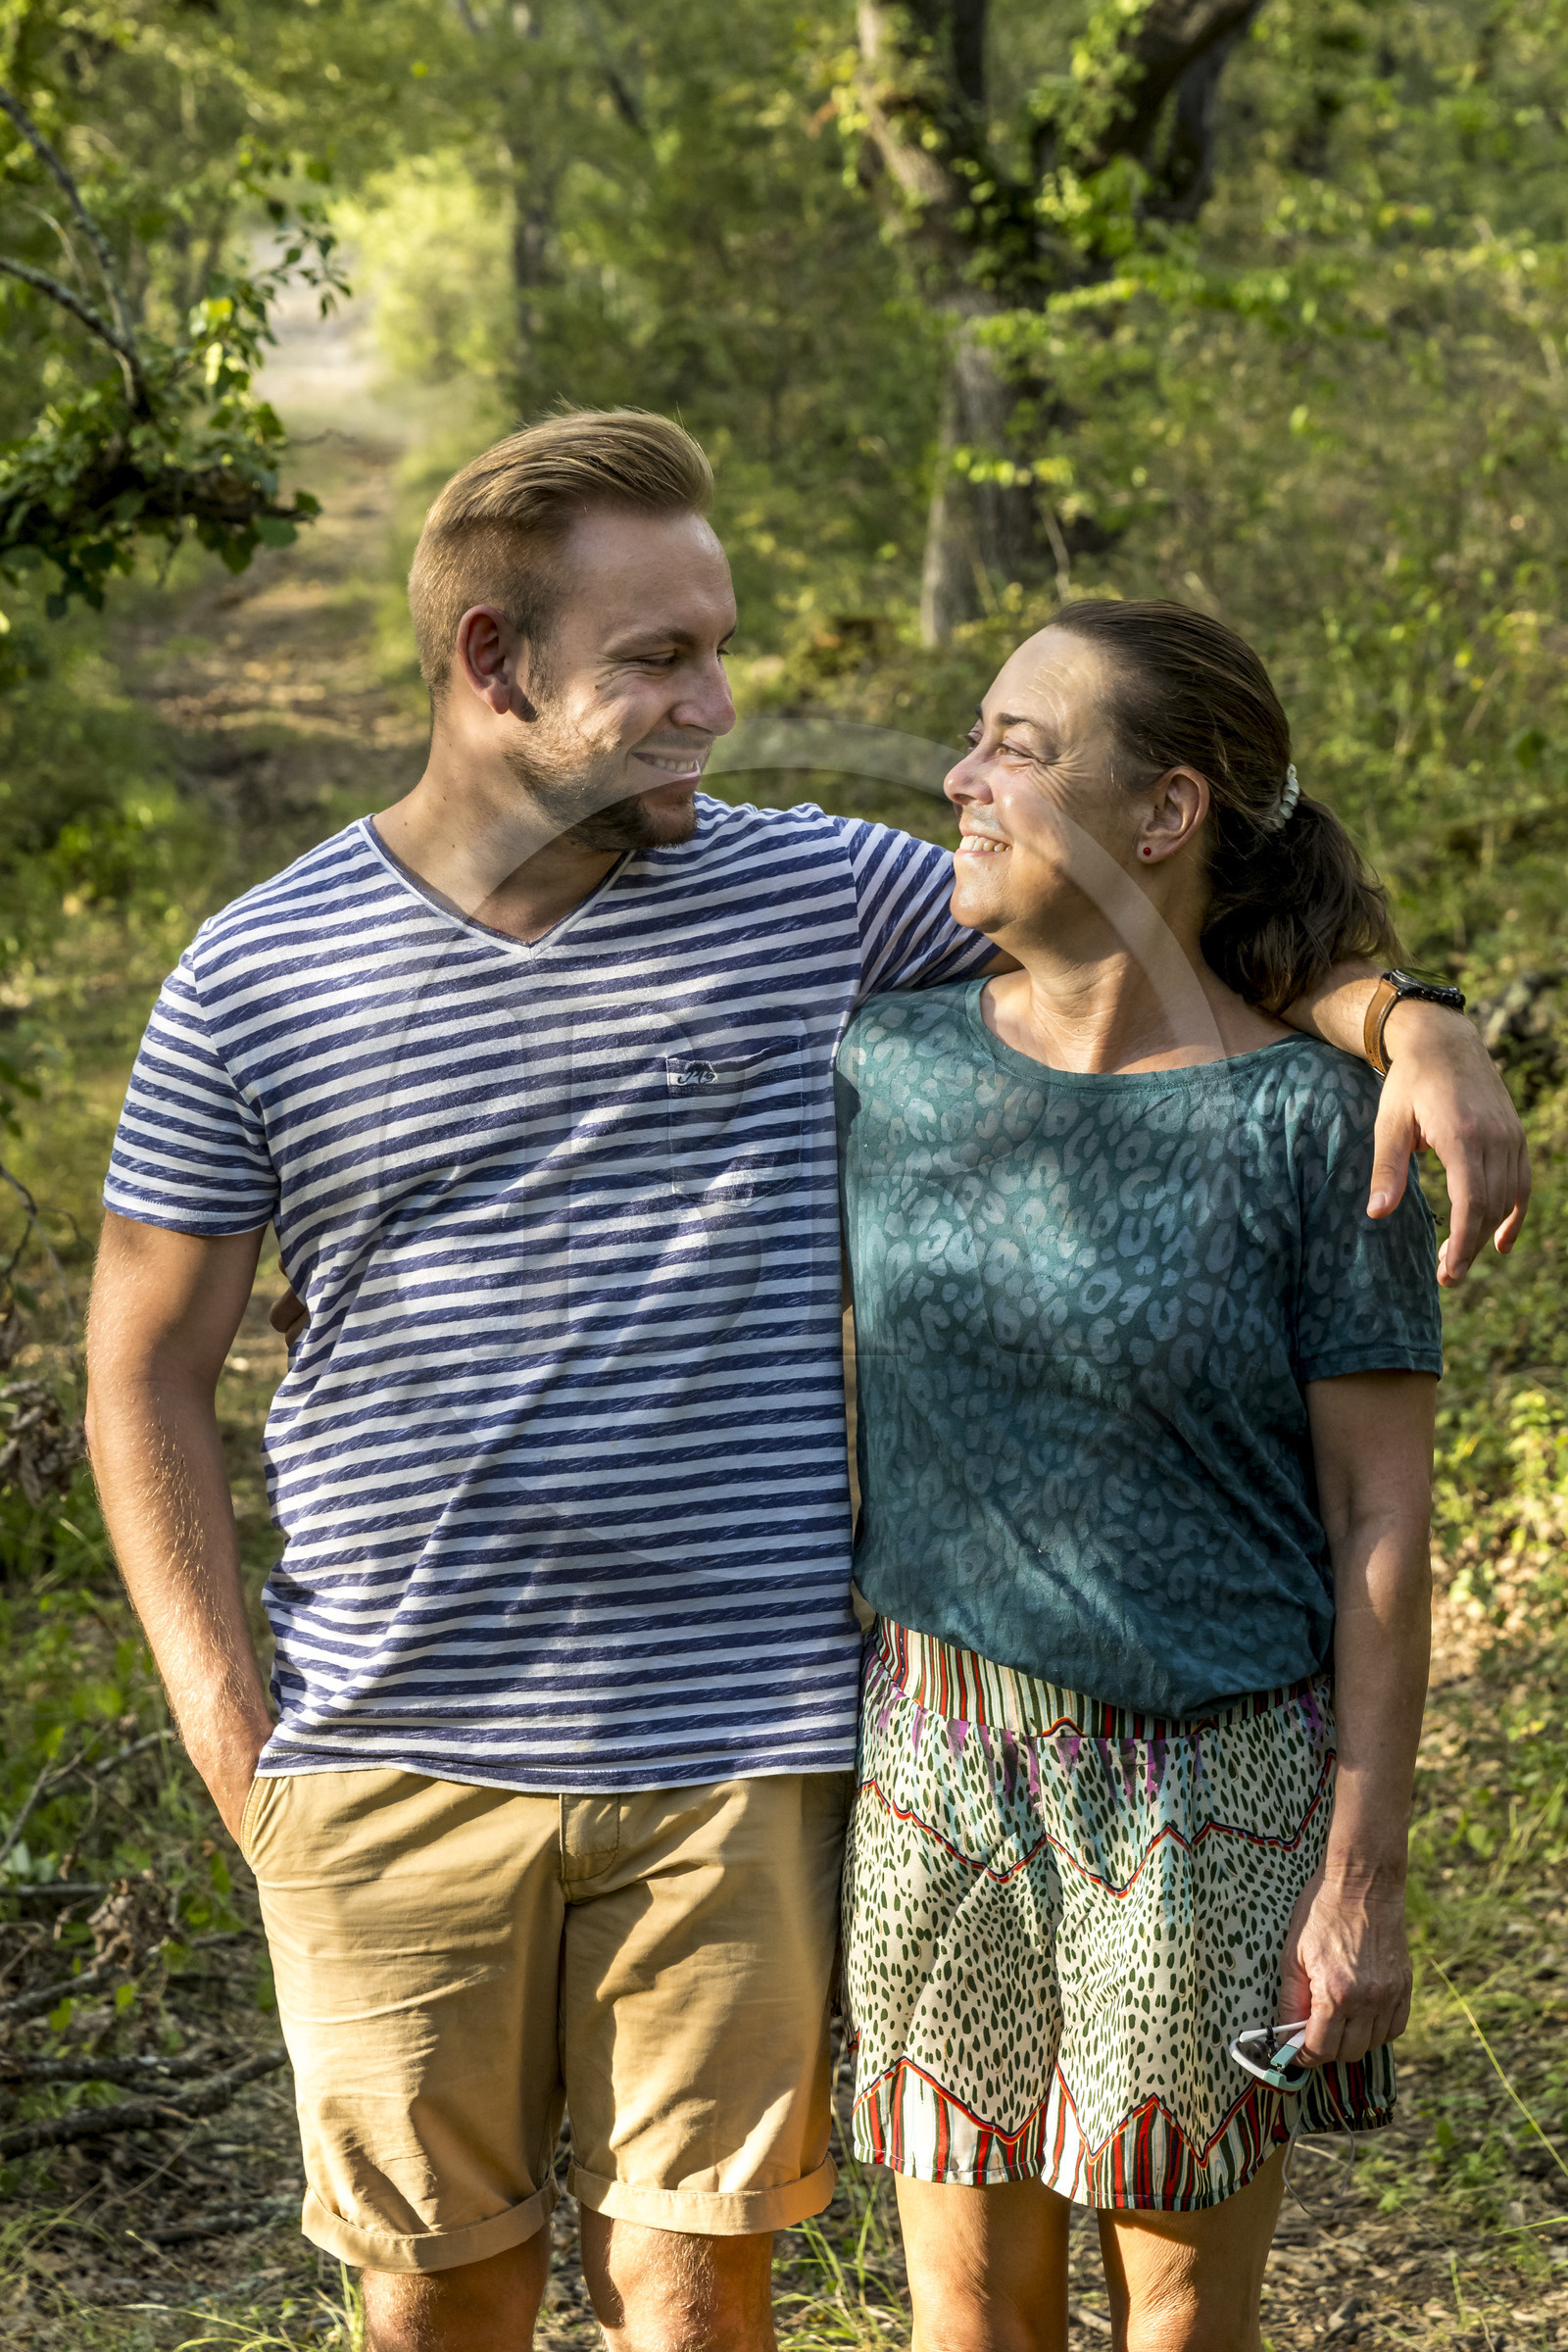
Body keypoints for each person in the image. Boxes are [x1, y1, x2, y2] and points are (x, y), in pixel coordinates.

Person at [84, 412, 1521, 2352]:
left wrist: (1403, 1018)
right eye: (657, 660)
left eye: (719, 645)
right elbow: (146, 1367)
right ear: (490, 658)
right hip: (387, 1743)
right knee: (435, 2304)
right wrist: (228, 1728)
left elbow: (1158, 920)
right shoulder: (255, 977)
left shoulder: (819, 898)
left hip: (741, 1757)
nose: (717, 704)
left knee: (691, 2296)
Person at [835, 600, 1446, 2352]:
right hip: (936, 1757)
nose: (959, 776)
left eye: (1017, 749)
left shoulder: (1314, 1128)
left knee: (1176, 2311)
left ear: (1166, 815)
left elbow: (1381, 1523)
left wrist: (1363, 1873)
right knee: (969, 2311)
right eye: (972, 735)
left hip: (1209, 1788)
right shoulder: (890, 1067)